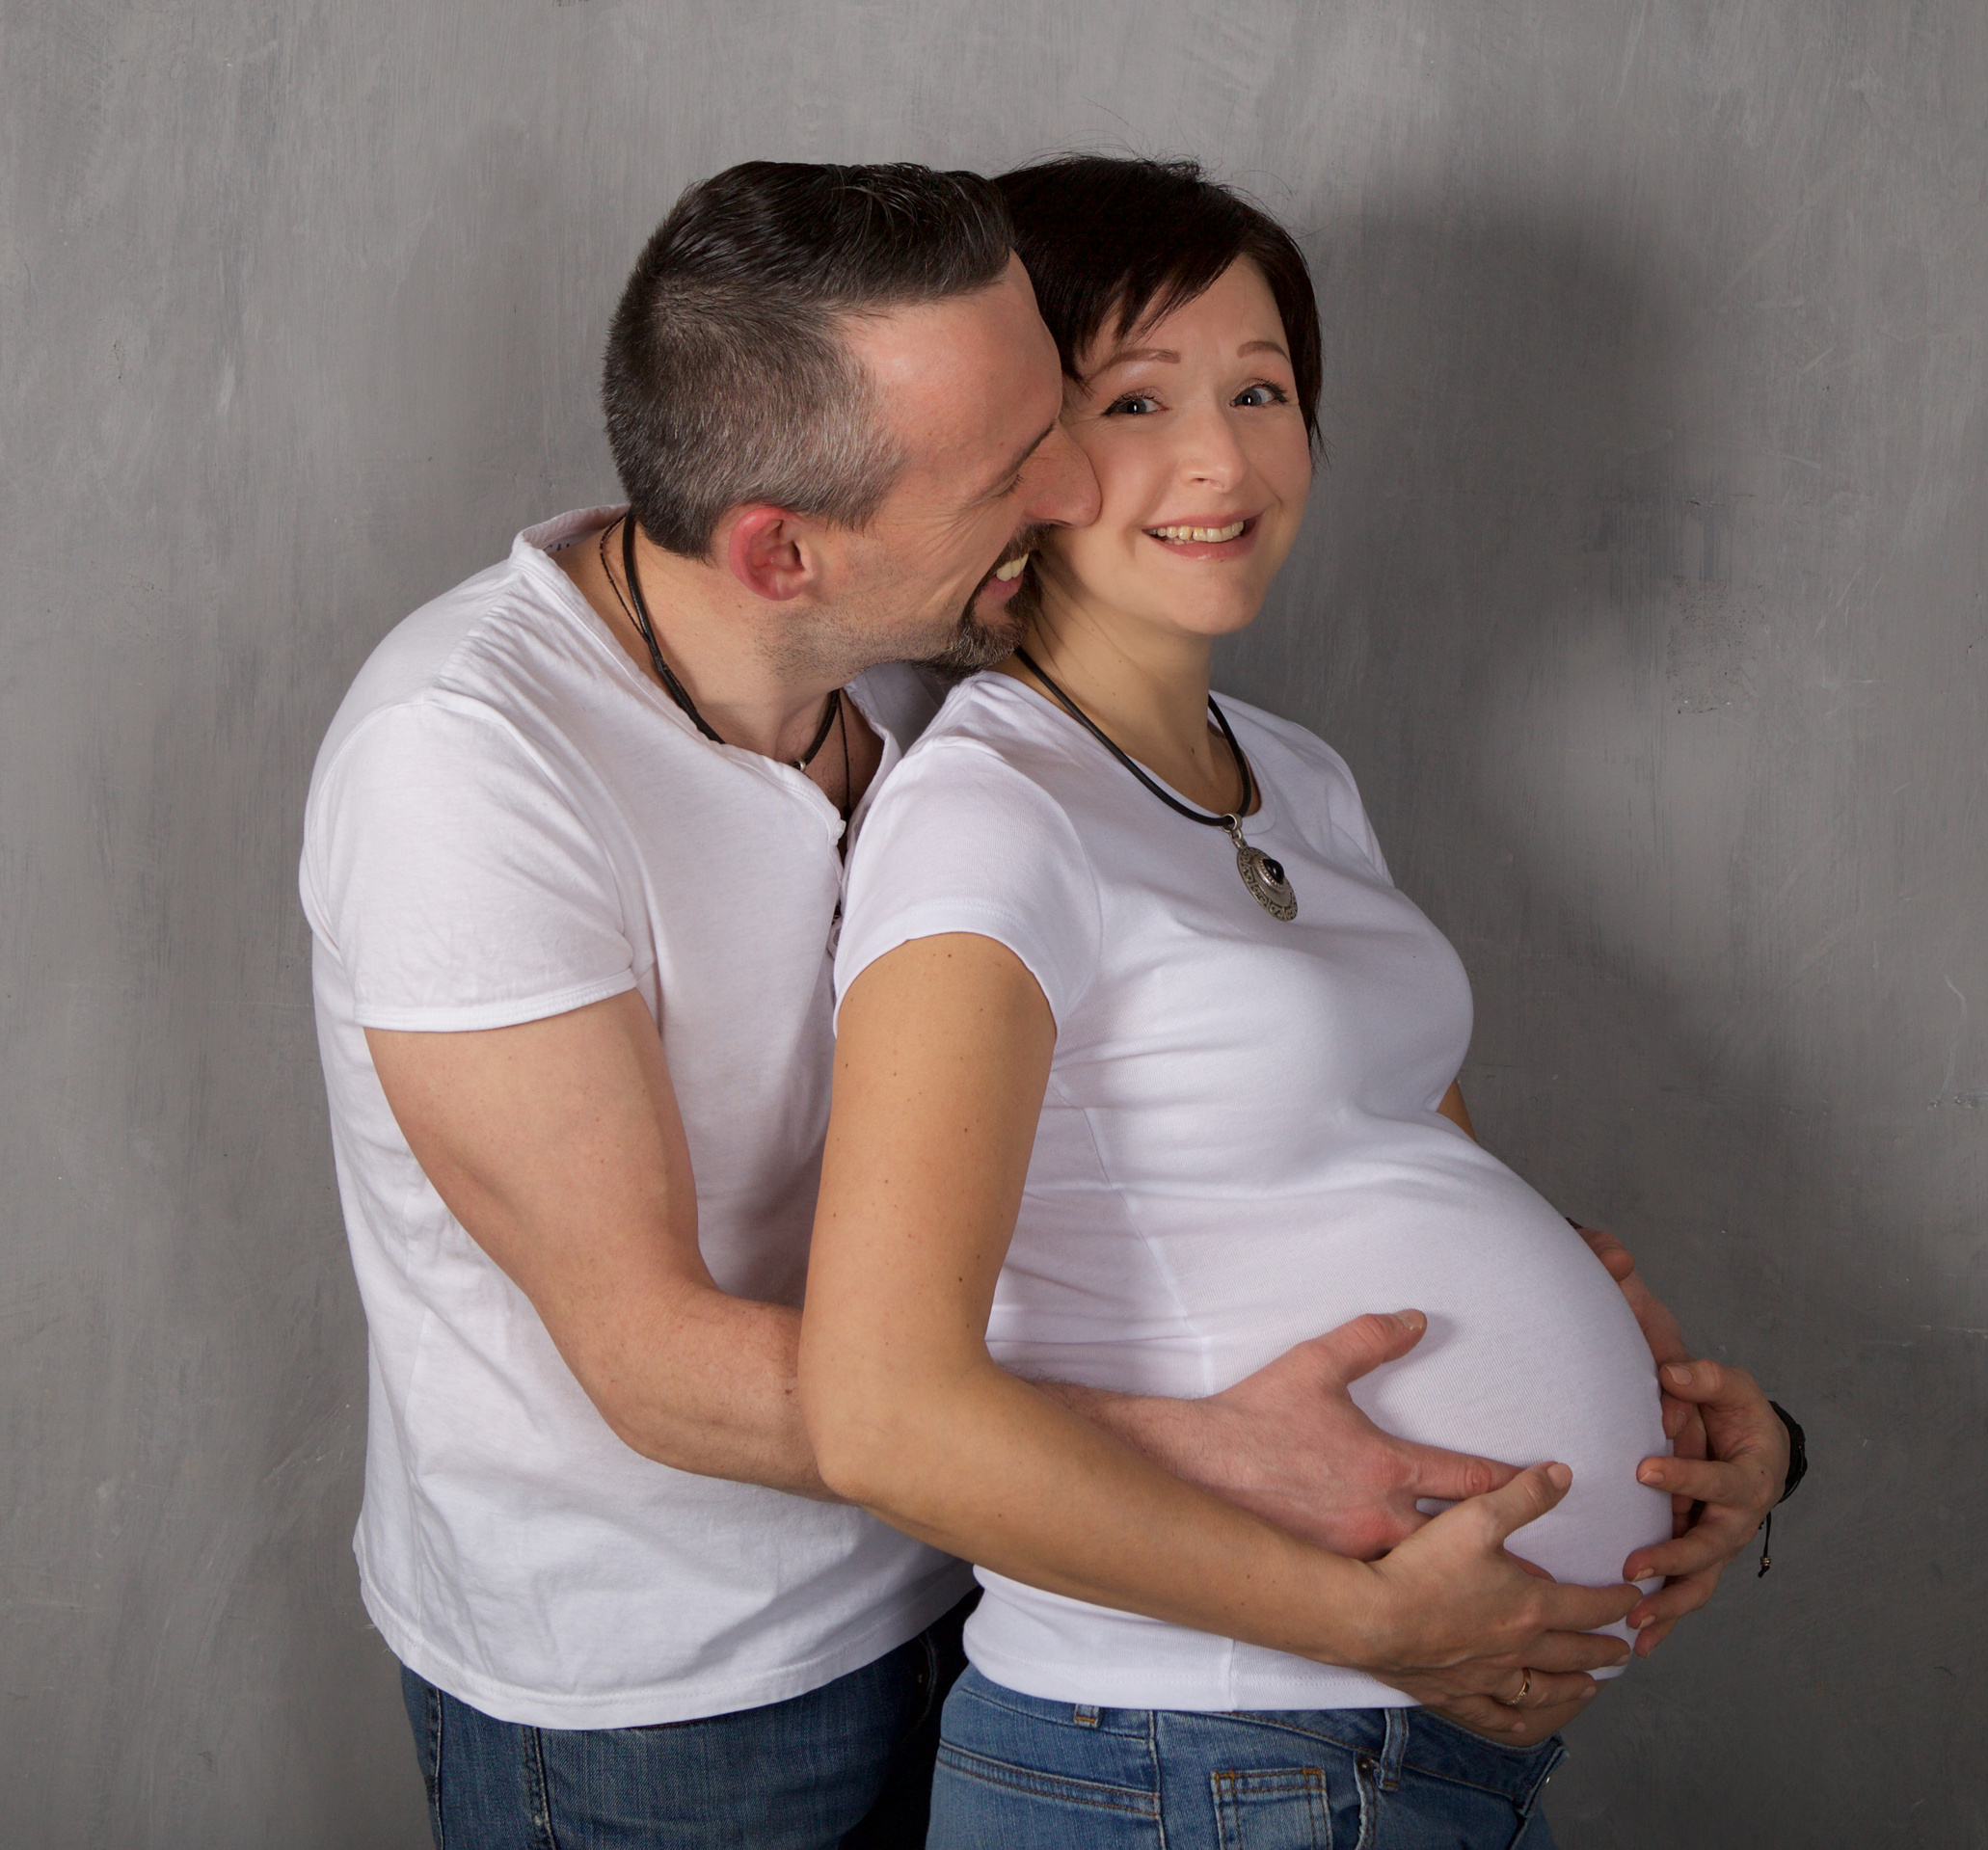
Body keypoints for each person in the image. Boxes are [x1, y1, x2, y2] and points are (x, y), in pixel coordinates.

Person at [301, 161, 1783, 1849]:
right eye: (1028, 461)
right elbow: (655, 1366)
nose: (1080, 481)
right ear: (786, 552)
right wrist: (1215, 1469)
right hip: (680, 1670)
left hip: (989, 1569)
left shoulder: (923, 658)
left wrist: (1640, 1385)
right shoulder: (465, 770)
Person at [803, 156, 1793, 1850]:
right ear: (1020, 454)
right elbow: (882, 1410)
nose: (1223, 458)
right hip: (1196, 1751)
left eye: (1263, 389)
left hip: (1368, 1753)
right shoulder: (993, 815)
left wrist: (1703, 1437)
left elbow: (1403, 1169)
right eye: (1137, 399)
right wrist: (1368, 1620)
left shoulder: (1300, 779)